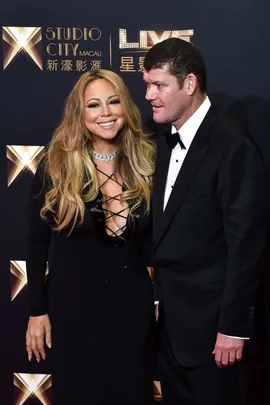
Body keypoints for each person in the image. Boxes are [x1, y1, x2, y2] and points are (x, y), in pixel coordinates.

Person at [143, 38, 267, 405]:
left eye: (159, 85)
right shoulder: (165, 140)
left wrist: (232, 328)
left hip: (216, 340)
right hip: (171, 335)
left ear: (190, 84)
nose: (149, 94)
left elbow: (247, 247)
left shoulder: (233, 145)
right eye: (147, 84)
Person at [25, 69, 156, 405]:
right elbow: (37, 240)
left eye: (114, 102)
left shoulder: (147, 161)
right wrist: (37, 311)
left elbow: (154, 243)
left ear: (126, 107)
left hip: (131, 307)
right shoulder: (56, 165)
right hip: (72, 309)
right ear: (79, 114)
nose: (106, 113)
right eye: (94, 105)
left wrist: (158, 296)